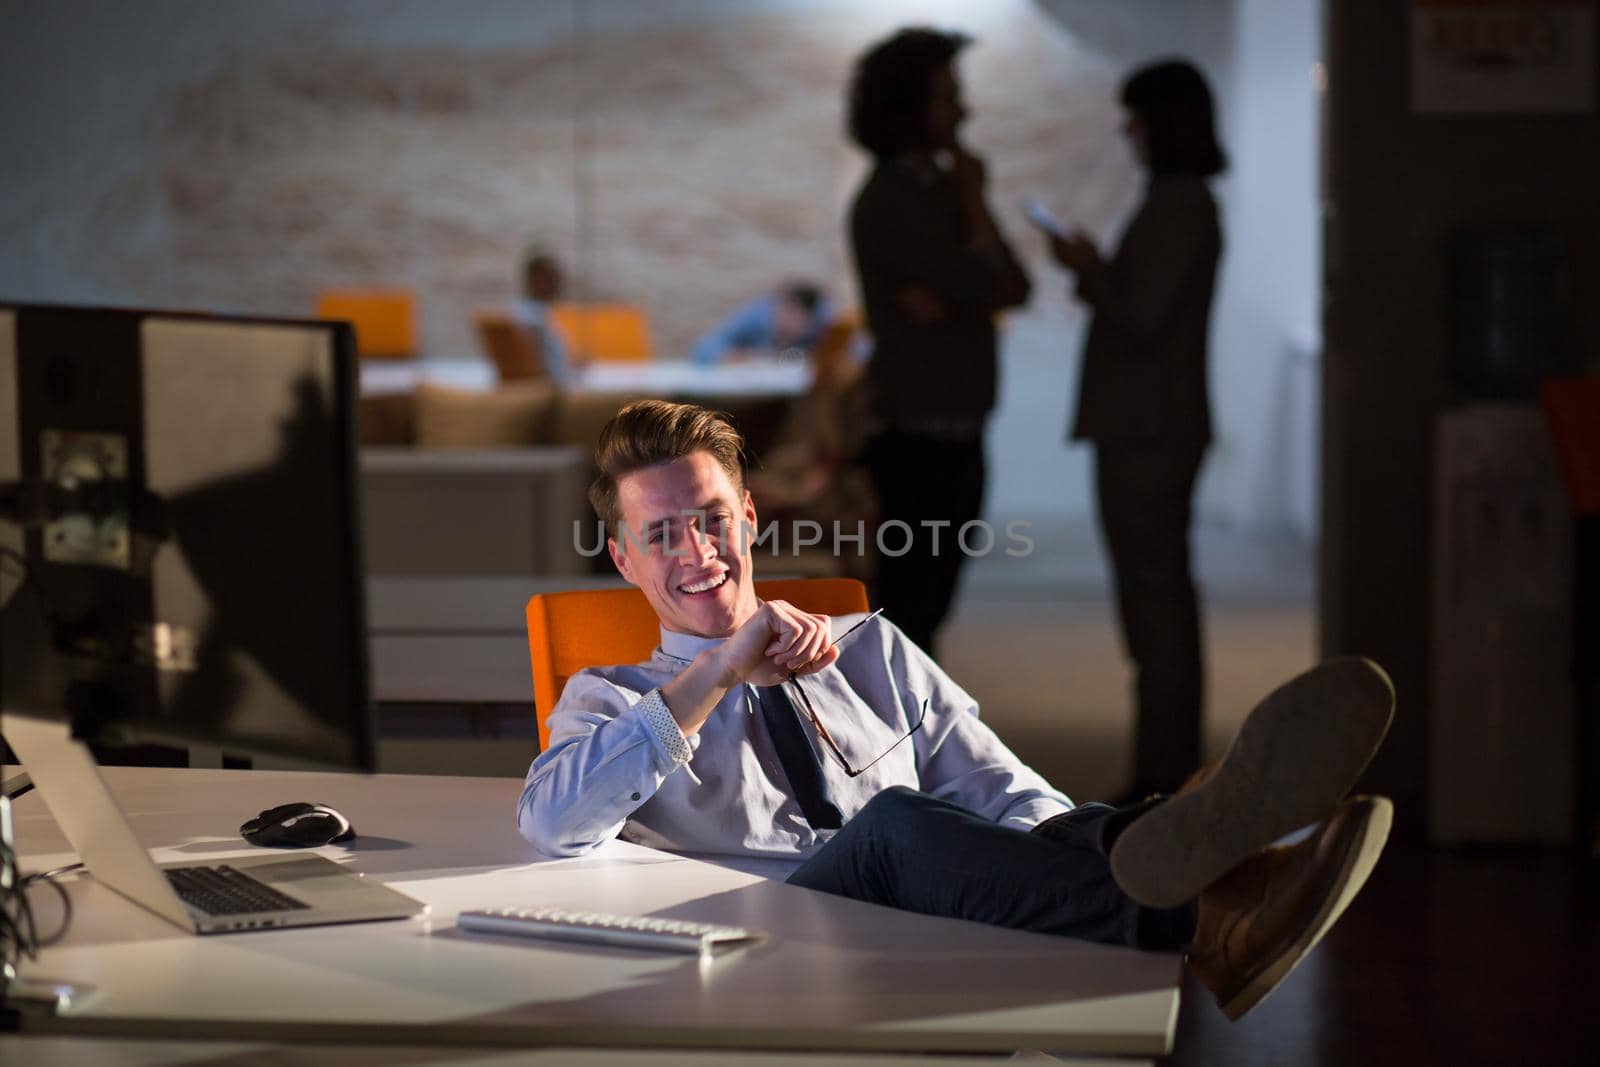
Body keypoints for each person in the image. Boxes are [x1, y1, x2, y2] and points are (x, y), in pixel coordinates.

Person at [517, 399, 1397, 1021]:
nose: (697, 551)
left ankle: (1204, 868)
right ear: (623, 558)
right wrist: (714, 670)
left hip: (935, 907)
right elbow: (553, 820)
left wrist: (1087, 842)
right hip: (771, 935)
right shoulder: (613, 697)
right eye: (662, 534)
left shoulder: (867, 646)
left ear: (750, 517)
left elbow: (999, 785)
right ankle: (1210, 916)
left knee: (1045, 822)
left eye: (711, 519)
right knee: (897, 825)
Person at [1044, 59, 1227, 801]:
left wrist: (1089, 268)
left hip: (1150, 426)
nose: (1129, 135)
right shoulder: (1182, 204)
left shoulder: (1181, 206)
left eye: (1136, 120)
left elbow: (1141, 316)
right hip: (1154, 422)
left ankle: (1164, 771)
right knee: (1157, 597)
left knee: (1155, 602)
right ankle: (1165, 763)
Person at [845, 28, 1031, 660]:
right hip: (916, 433)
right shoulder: (891, 200)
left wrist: (963, 289)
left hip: (959, 422)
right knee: (909, 613)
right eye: (948, 96)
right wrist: (970, 277)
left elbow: (1013, 285)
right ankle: (897, 753)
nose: (963, 111)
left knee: (928, 607)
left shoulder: (945, 192)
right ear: (909, 107)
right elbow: (982, 279)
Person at [691, 282, 835, 366]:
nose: (787, 323)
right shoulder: (756, 317)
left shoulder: (824, 324)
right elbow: (703, 349)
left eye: (796, 317)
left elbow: (854, 354)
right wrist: (732, 356)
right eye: (786, 312)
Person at [510, 247, 575, 385]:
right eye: (551, 278)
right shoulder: (533, 321)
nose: (557, 285)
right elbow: (548, 372)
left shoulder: (529, 313)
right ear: (534, 280)